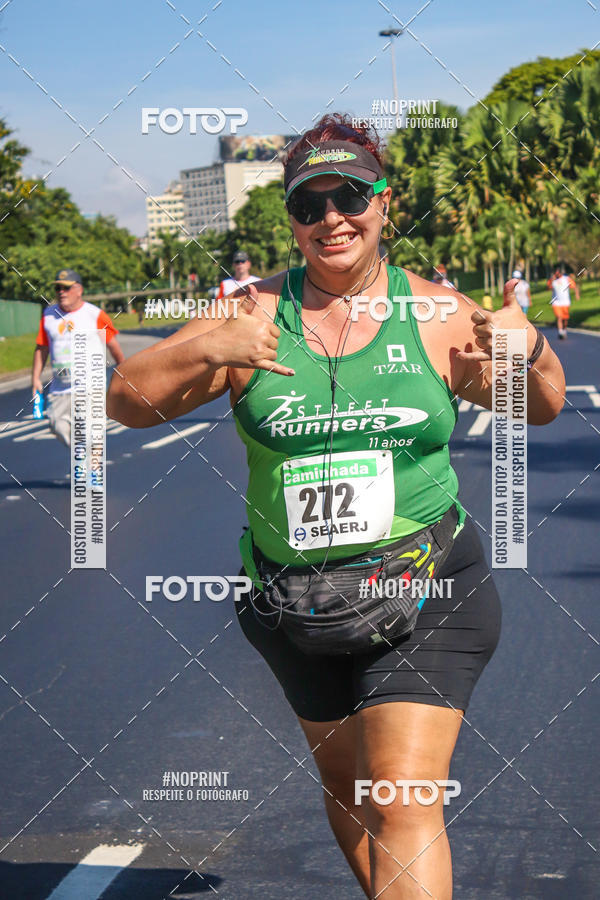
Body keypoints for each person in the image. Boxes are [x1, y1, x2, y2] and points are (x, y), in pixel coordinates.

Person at [107, 115, 566, 898]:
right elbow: (126, 404)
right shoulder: (249, 315)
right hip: (294, 601)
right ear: (292, 220)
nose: (332, 218)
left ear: (385, 202)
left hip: (427, 586)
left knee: (402, 796)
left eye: (351, 195)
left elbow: (542, 405)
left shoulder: (437, 313)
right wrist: (205, 349)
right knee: (353, 795)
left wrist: (532, 353)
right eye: (309, 204)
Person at [32, 269, 125, 447]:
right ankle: (84, 459)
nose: (61, 292)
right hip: (60, 388)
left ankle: (85, 467)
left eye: (66, 288)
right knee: (57, 426)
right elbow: (42, 347)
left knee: (87, 434)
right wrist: (36, 377)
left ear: (79, 290)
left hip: (90, 388)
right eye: (58, 288)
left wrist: (124, 371)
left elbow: (113, 346)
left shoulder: (95, 315)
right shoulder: (48, 316)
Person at [548, 265, 579, 338]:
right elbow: (549, 288)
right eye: (555, 273)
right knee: (559, 317)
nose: (556, 274)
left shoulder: (566, 279)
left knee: (565, 318)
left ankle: (564, 330)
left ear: (560, 273)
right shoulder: (553, 280)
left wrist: (576, 294)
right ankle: (560, 332)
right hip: (556, 302)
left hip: (565, 302)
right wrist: (551, 280)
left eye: (558, 272)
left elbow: (574, 286)